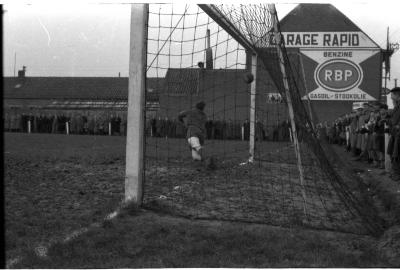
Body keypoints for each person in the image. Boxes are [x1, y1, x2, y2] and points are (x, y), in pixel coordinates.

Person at [387, 87, 400, 181]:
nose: (391, 98)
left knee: (397, 153)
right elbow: (393, 119)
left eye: (392, 95)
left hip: (398, 133)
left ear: (397, 95)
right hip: (394, 133)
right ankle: (394, 171)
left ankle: (397, 173)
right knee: (391, 152)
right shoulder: (396, 106)